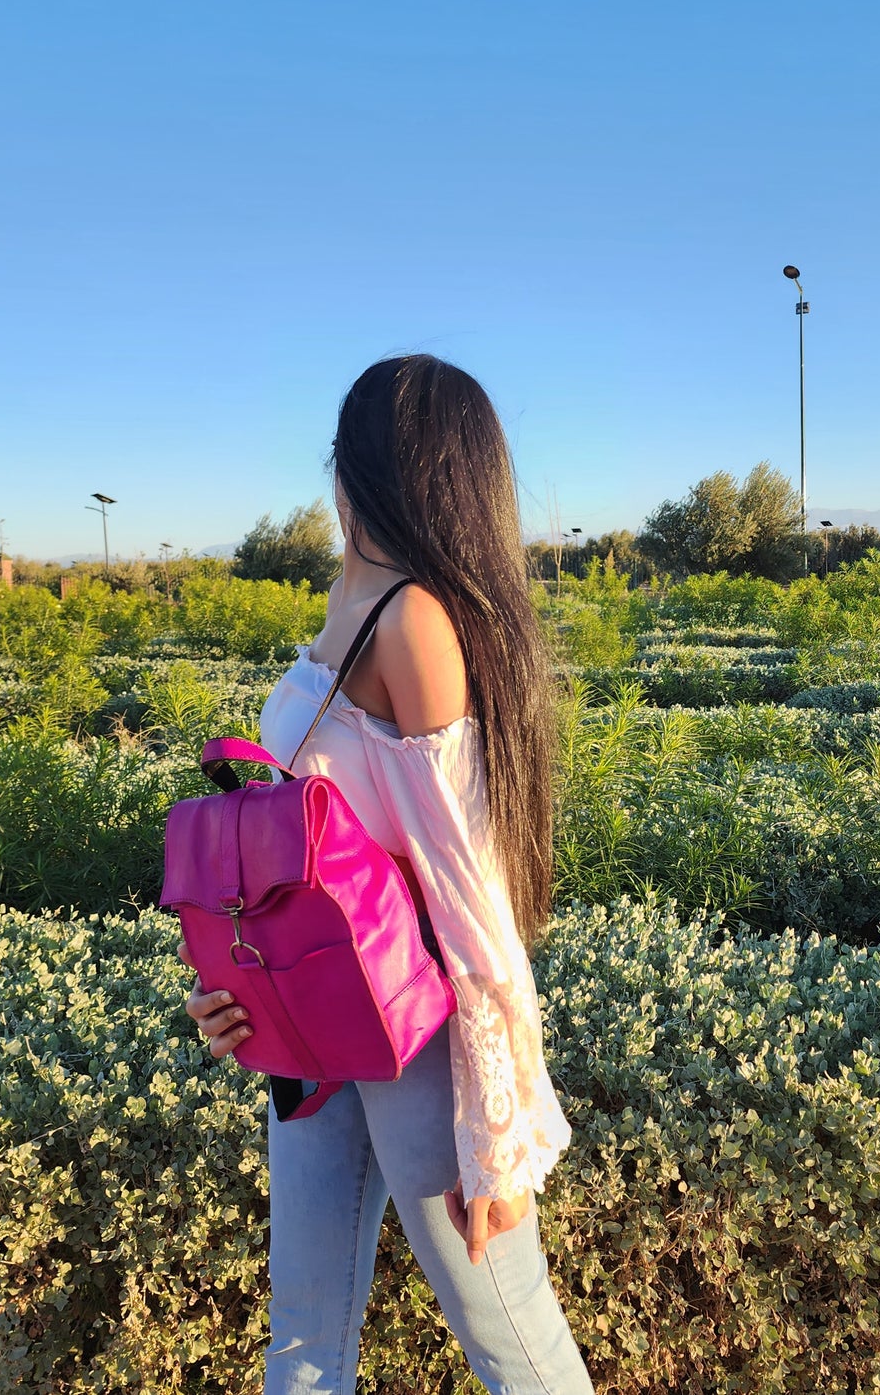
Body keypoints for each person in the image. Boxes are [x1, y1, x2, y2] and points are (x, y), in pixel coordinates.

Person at [179, 355, 595, 1395]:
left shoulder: (415, 619)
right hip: (312, 1029)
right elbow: (294, 848)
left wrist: (495, 1126)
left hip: (416, 1040)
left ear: (360, 466)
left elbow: (468, 890)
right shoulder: (348, 590)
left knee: (510, 1331)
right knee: (304, 1339)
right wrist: (233, 984)